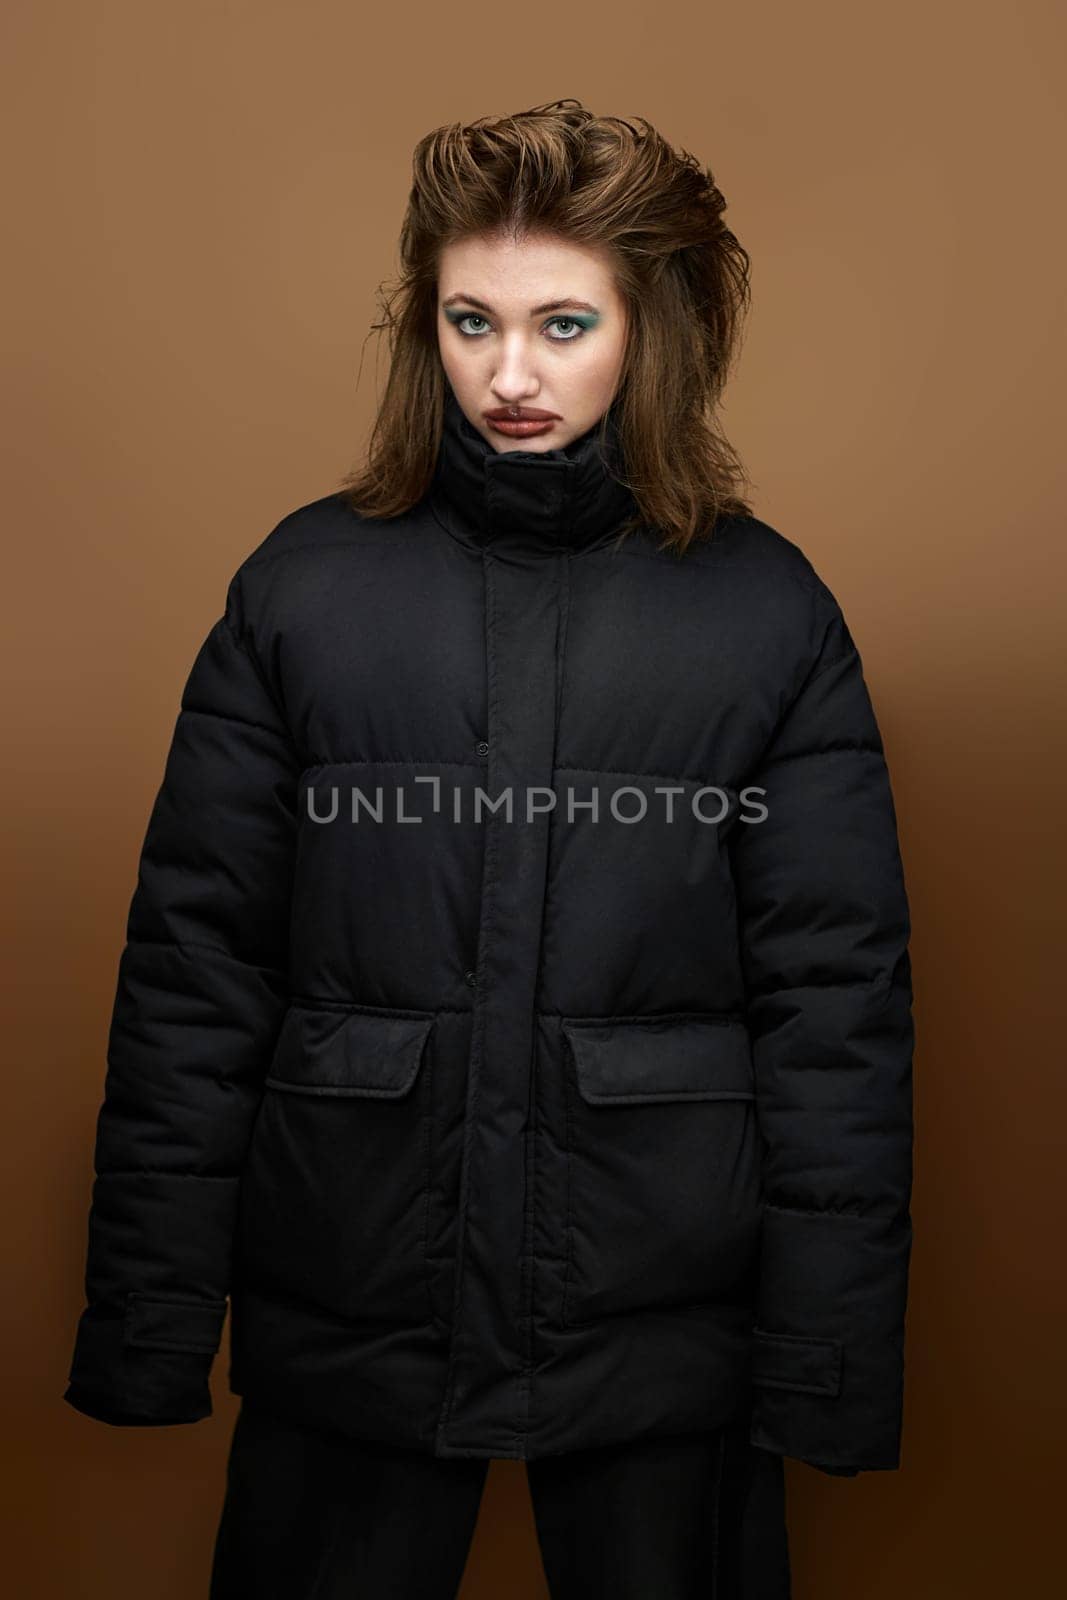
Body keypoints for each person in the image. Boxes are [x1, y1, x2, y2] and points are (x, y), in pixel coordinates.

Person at [63, 100, 914, 1597]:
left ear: (657, 329)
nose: (510, 374)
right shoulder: (303, 588)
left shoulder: (767, 613)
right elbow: (196, 974)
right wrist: (149, 1321)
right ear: (425, 327)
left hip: (662, 1303)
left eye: (564, 323)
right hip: (355, 1287)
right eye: (471, 321)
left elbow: (836, 1012)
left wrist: (824, 1363)